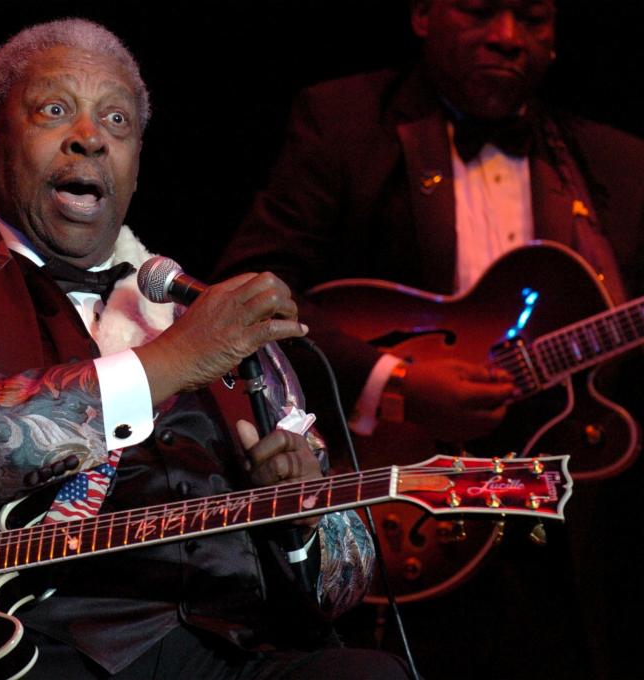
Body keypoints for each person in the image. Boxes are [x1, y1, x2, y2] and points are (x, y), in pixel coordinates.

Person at [0, 18, 411, 680]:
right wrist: (168, 364)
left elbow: (345, 583)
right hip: (22, 649)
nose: (90, 139)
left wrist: (303, 514)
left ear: (137, 165)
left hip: (231, 649)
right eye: (55, 110)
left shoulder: (214, 318)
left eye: (117, 123)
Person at [215, 1, 642, 678]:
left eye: (533, 18)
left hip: (562, 531)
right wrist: (397, 383)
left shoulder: (617, 161)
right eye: (479, 11)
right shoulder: (346, 121)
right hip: (398, 496)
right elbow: (249, 285)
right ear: (422, 16)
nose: (507, 38)